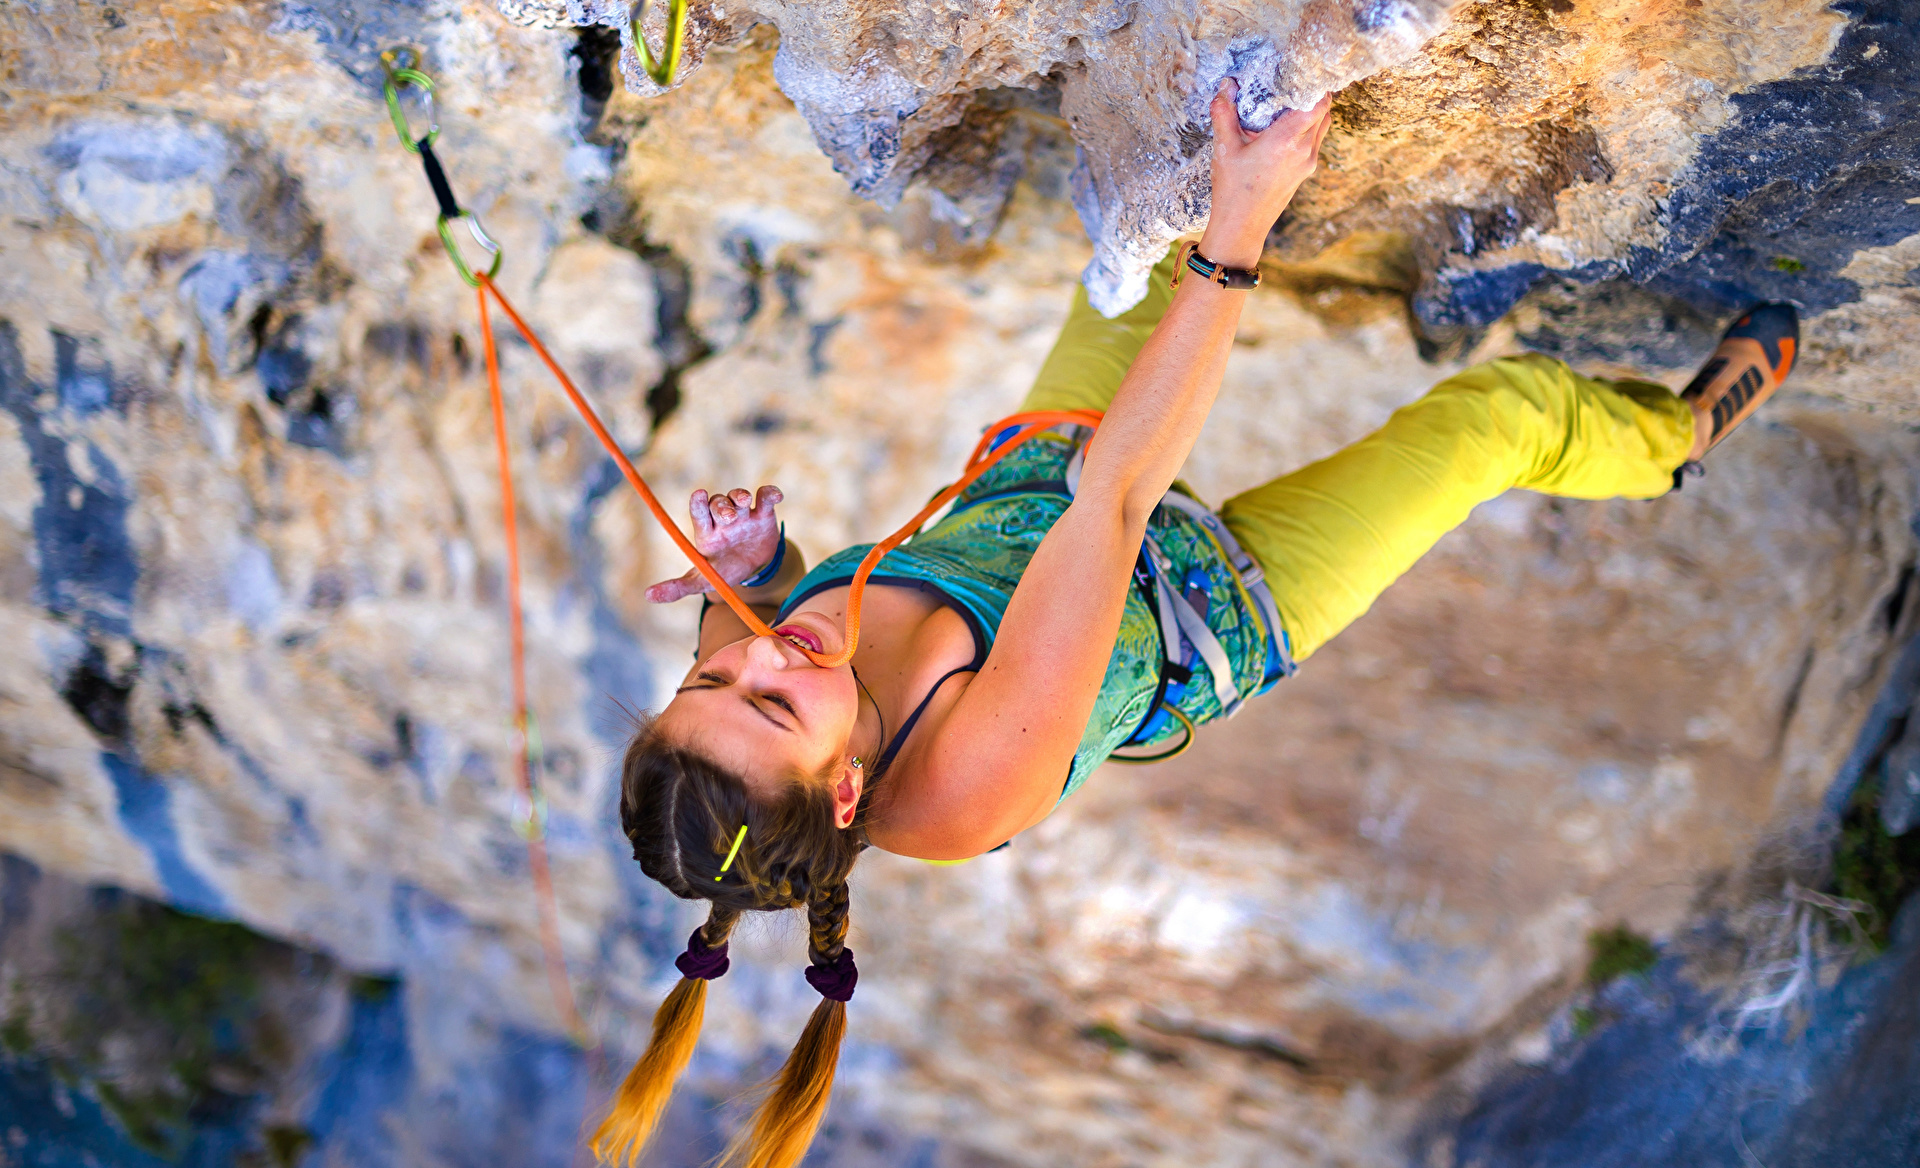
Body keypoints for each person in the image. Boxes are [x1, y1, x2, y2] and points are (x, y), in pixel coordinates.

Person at [590, 82, 1799, 1168]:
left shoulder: (734, 715)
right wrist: (1239, 227)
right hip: (1216, 596)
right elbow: (1116, 501)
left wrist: (763, 566)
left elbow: (764, 642)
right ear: (846, 791)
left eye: (707, 679)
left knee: (1137, 224)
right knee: (1495, 420)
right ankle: (1673, 440)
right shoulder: (965, 788)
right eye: (768, 698)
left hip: (1040, 476)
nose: (749, 654)